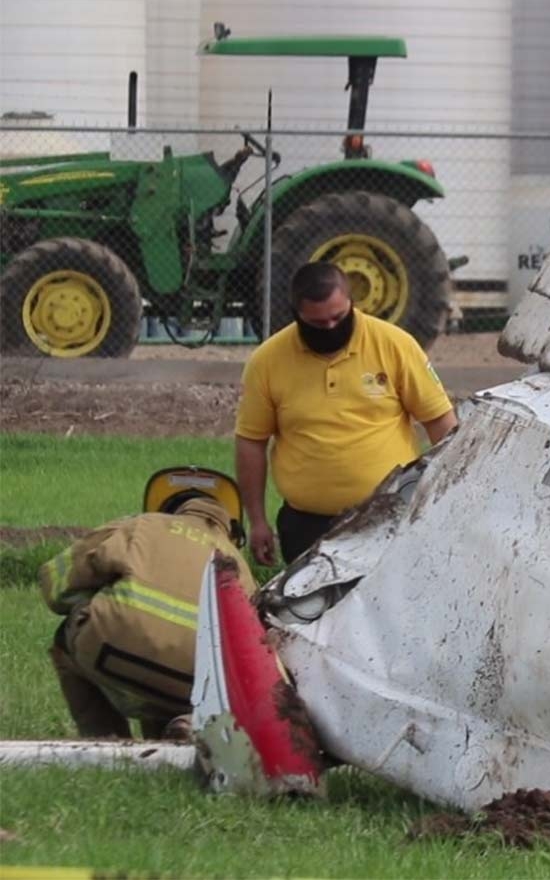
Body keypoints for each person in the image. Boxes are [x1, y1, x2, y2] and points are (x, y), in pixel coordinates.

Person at [235, 262, 457, 565]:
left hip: (387, 518)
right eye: (317, 323)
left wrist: (449, 500)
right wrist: (257, 521)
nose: (329, 328)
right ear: (296, 314)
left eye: (338, 318)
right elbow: (251, 441)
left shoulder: (395, 345)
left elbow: (442, 424)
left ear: (352, 302)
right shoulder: (267, 361)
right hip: (306, 526)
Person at [39, 467, 257, 740]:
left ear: (167, 508)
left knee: (67, 640)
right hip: (191, 688)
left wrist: (90, 600)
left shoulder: (143, 525)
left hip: (108, 655)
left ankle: (103, 742)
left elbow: (55, 584)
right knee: (184, 667)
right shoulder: (241, 567)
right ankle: (179, 732)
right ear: (232, 527)